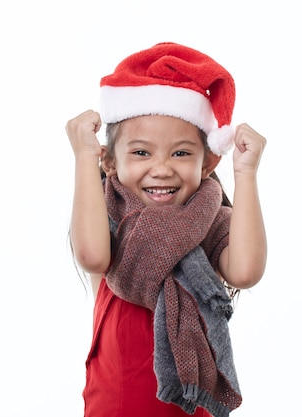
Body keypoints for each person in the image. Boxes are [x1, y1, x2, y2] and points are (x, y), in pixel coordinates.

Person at [66, 42, 267, 417]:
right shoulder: (110, 218)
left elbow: (246, 271)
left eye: (180, 153)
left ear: (208, 163)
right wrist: (83, 155)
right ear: (110, 161)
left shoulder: (208, 224)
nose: (161, 168)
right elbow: (92, 255)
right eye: (141, 152)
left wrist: (246, 174)